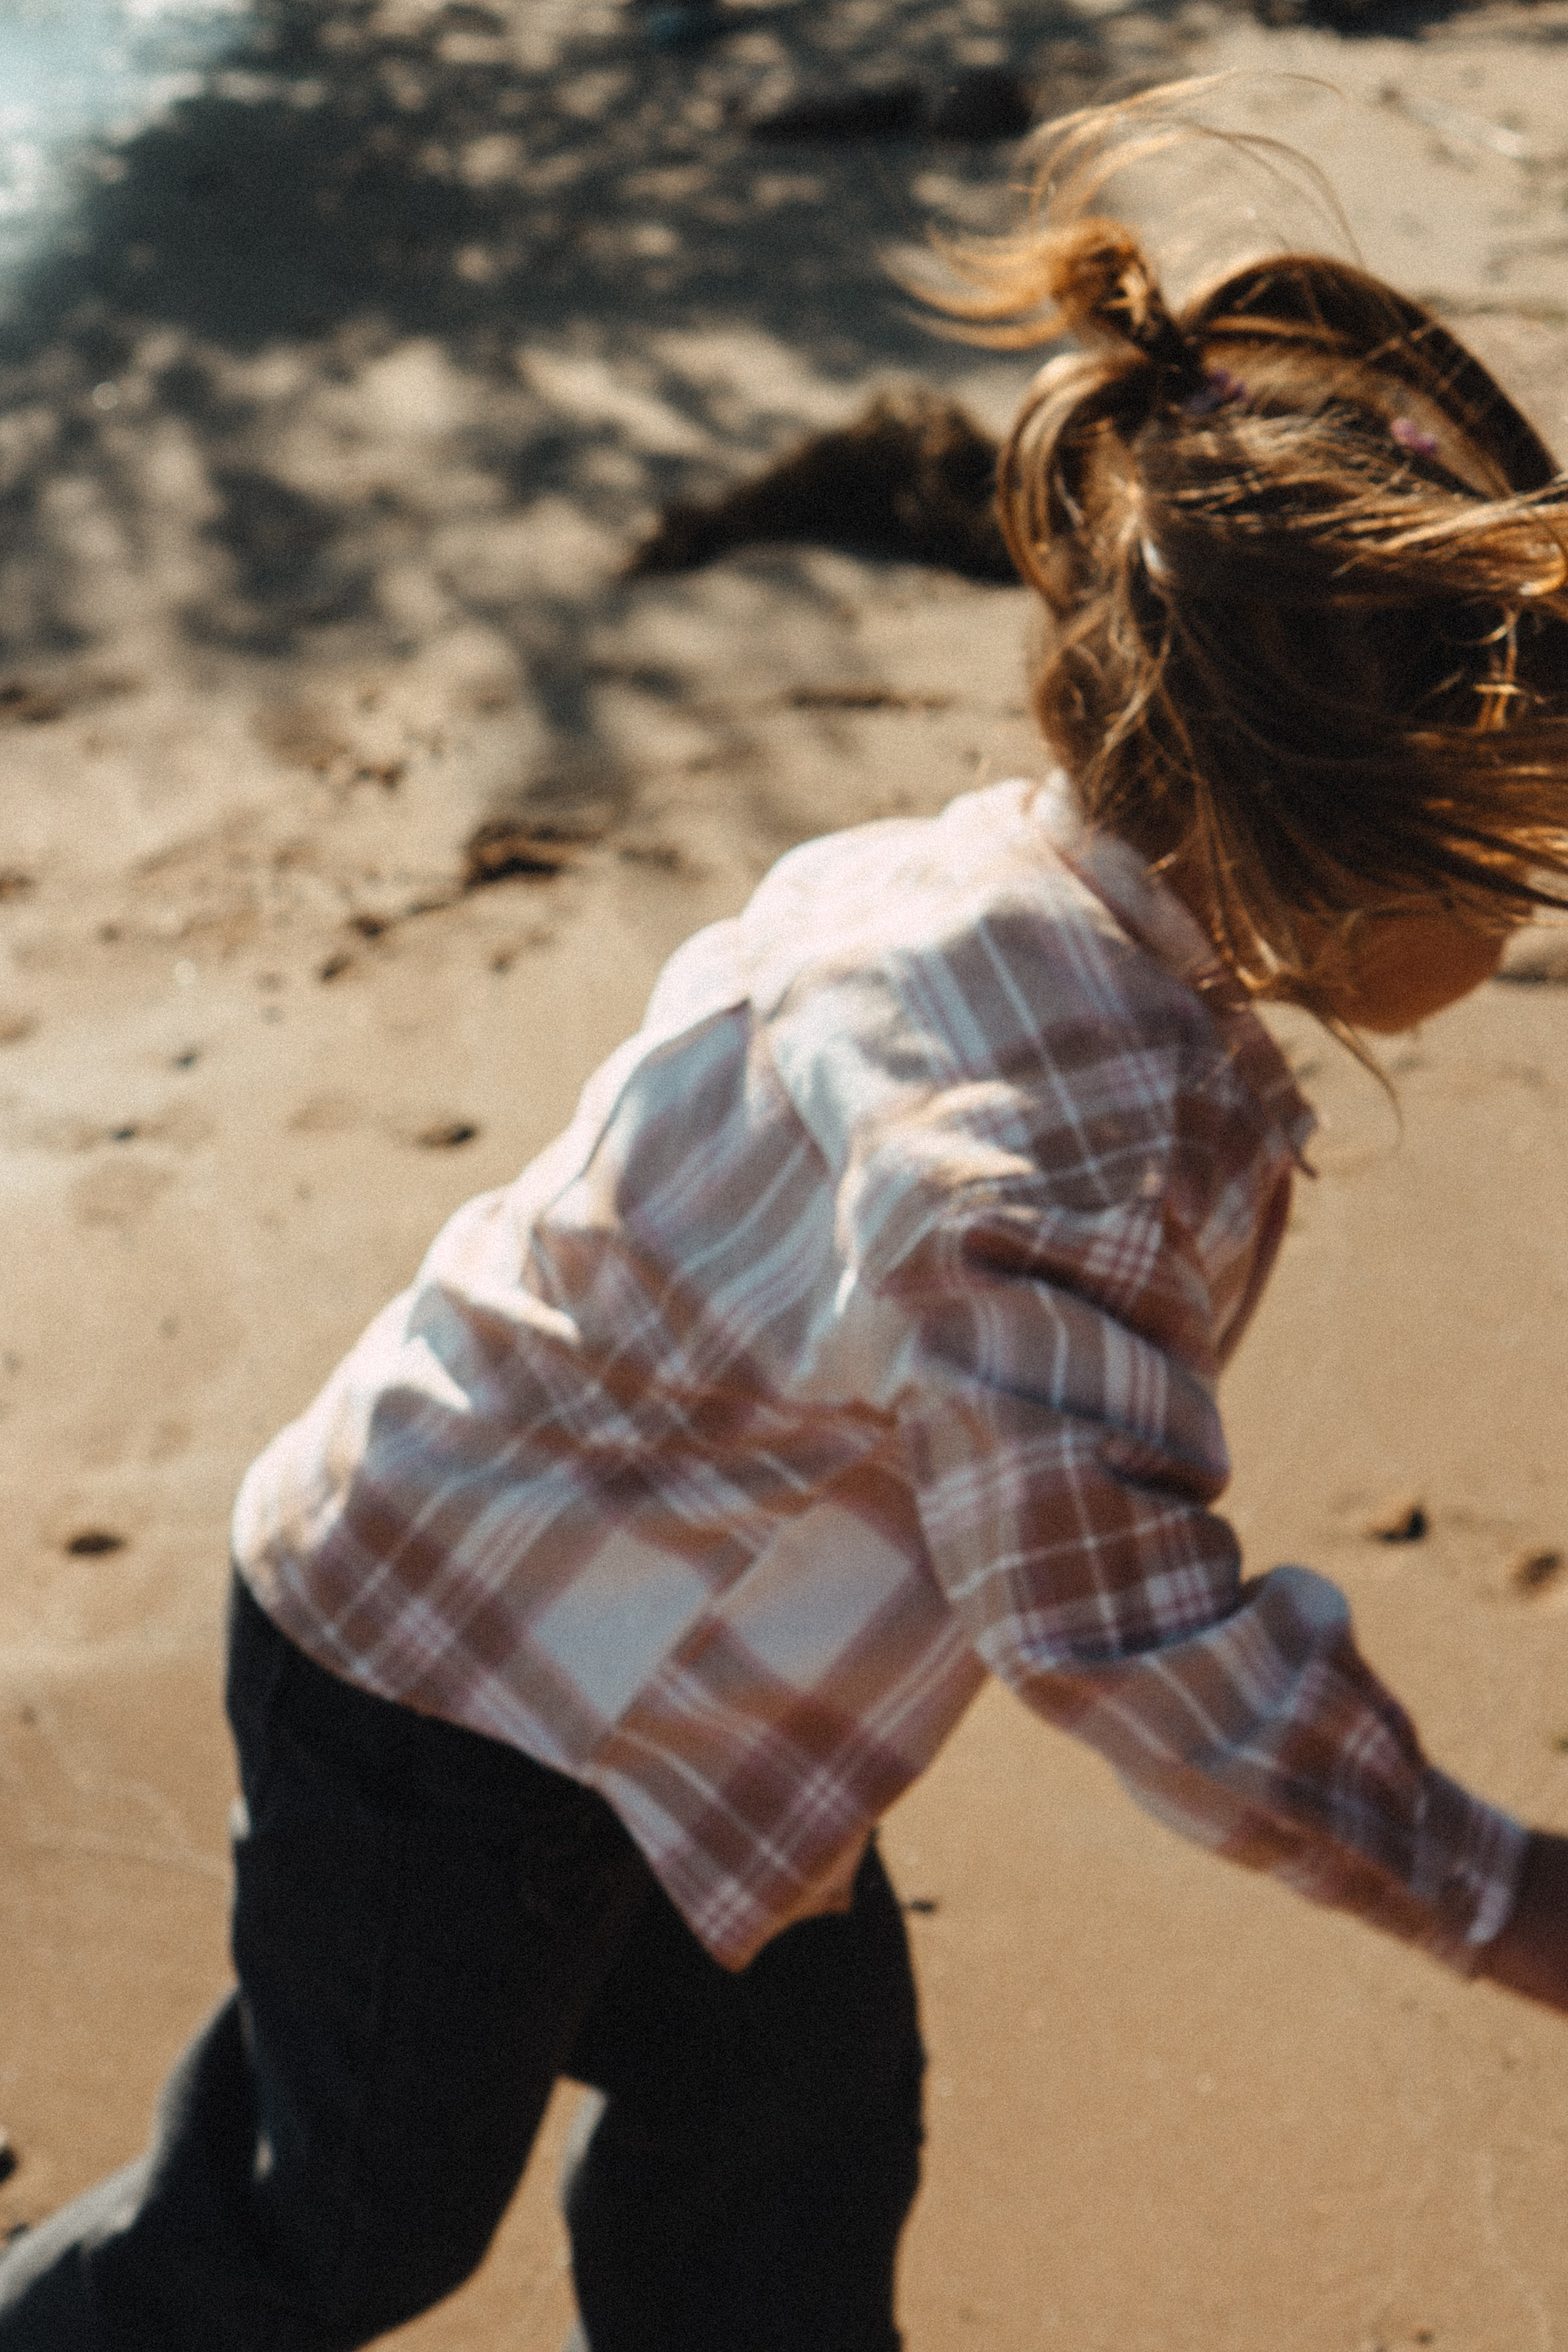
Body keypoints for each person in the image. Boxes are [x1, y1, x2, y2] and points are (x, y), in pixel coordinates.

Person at [8, 77, 1568, 2352]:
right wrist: (1501, 1895)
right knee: (329, 2226)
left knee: (790, 2162)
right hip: (446, 1688)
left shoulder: (997, 895)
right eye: (1494, 855)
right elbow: (1121, 1632)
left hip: (710, 1706)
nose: (1516, 912)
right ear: (1316, 827)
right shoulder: (1041, 1165)